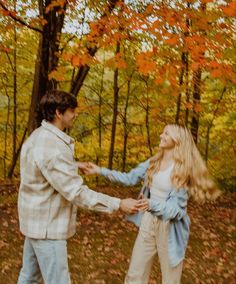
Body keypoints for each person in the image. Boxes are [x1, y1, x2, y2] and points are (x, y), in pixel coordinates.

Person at [17, 90, 147, 284]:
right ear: (58, 113)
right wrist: (118, 203)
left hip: (34, 222)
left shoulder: (38, 136)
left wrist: (73, 165)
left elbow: (41, 168)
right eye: (71, 110)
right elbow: (76, 192)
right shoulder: (53, 146)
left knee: (28, 277)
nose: (75, 114)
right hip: (48, 228)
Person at [79, 124, 220, 284]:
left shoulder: (181, 169)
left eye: (166, 133)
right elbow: (129, 178)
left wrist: (151, 204)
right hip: (148, 221)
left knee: (170, 279)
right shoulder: (154, 162)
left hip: (170, 228)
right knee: (135, 275)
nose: (161, 136)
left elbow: (176, 211)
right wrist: (100, 170)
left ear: (177, 140)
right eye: (162, 132)